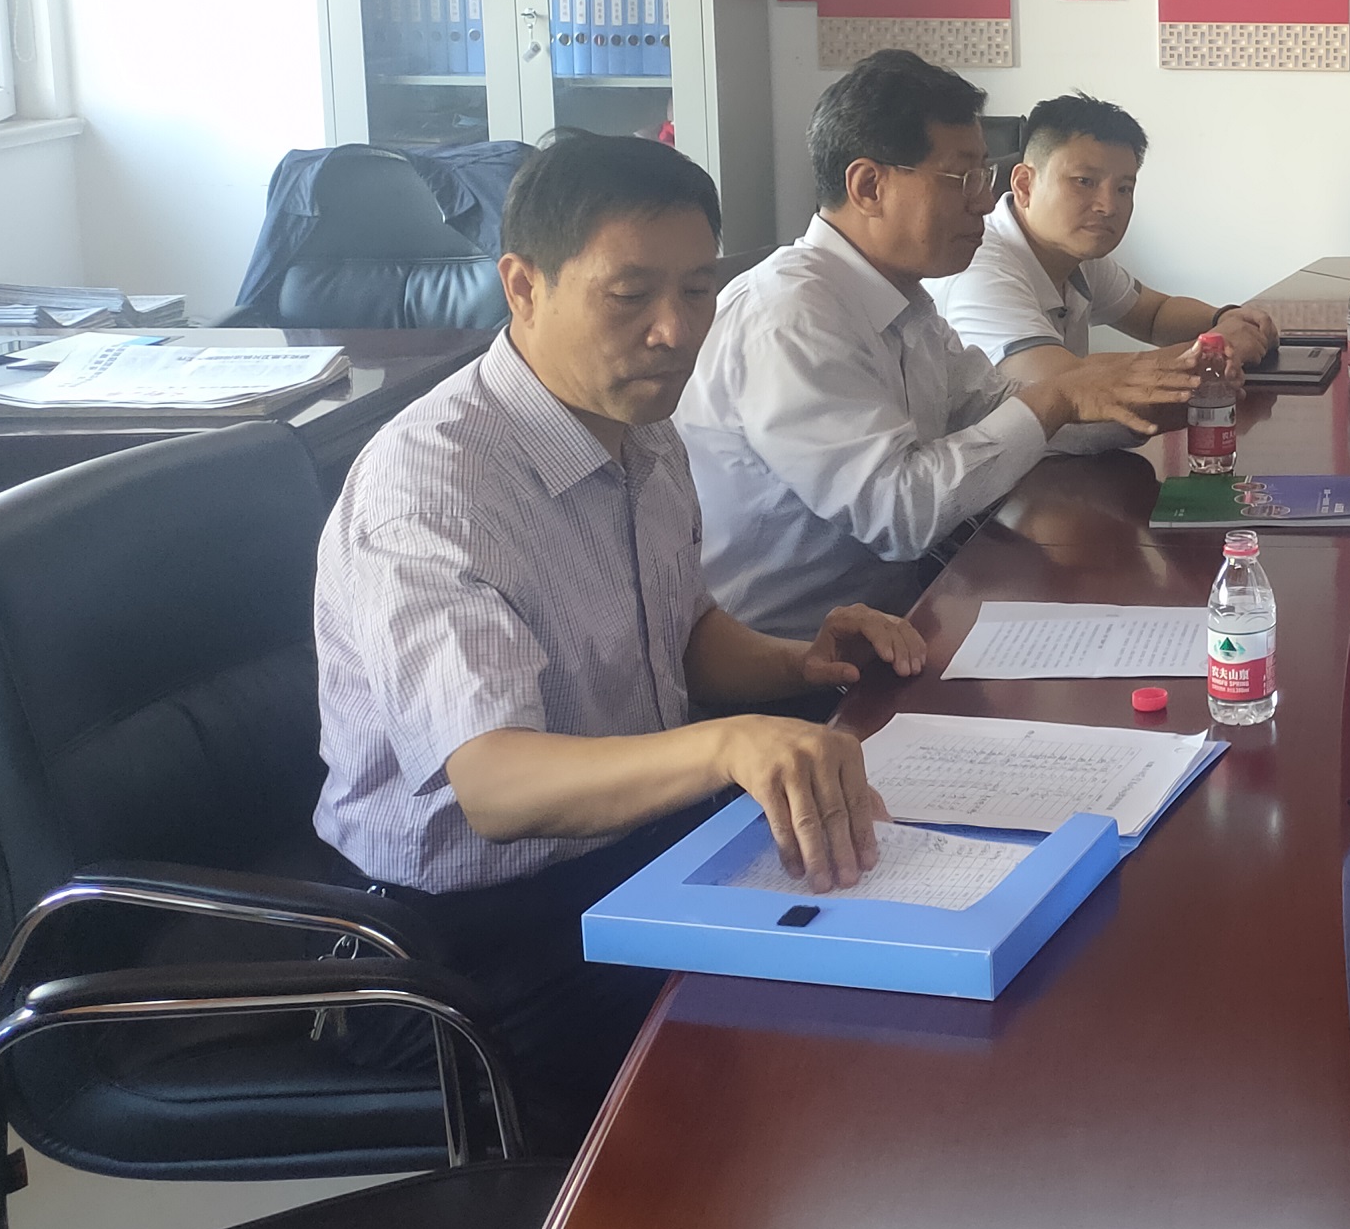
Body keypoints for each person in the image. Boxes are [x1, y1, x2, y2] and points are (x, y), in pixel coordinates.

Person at [313, 134, 929, 1147]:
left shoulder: (642, 429)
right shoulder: (435, 489)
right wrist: (727, 744)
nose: (674, 331)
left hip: (633, 860)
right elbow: (494, 784)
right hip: (462, 947)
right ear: (523, 286)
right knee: (802, 1066)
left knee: (897, 966)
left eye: (698, 289)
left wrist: (797, 662)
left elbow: (677, 637)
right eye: (630, 294)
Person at [680, 49, 1198, 638]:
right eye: (963, 179)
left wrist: (1146, 402)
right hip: (798, 661)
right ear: (869, 186)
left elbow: (993, 405)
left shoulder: (904, 298)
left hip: (908, 618)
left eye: (985, 177)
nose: (985, 201)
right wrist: (1061, 397)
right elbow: (900, 513)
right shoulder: (792, 316)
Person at [935, 93, 1278, 454]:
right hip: (989, 480)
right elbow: (1064, 389)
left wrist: (1226, 318)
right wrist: (1215, 349)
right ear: (1024, 185)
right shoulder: (979, 267)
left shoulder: (1074, 251)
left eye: (1124, 188)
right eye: (1084, 181)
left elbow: (1154, 314)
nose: (1108, 206)